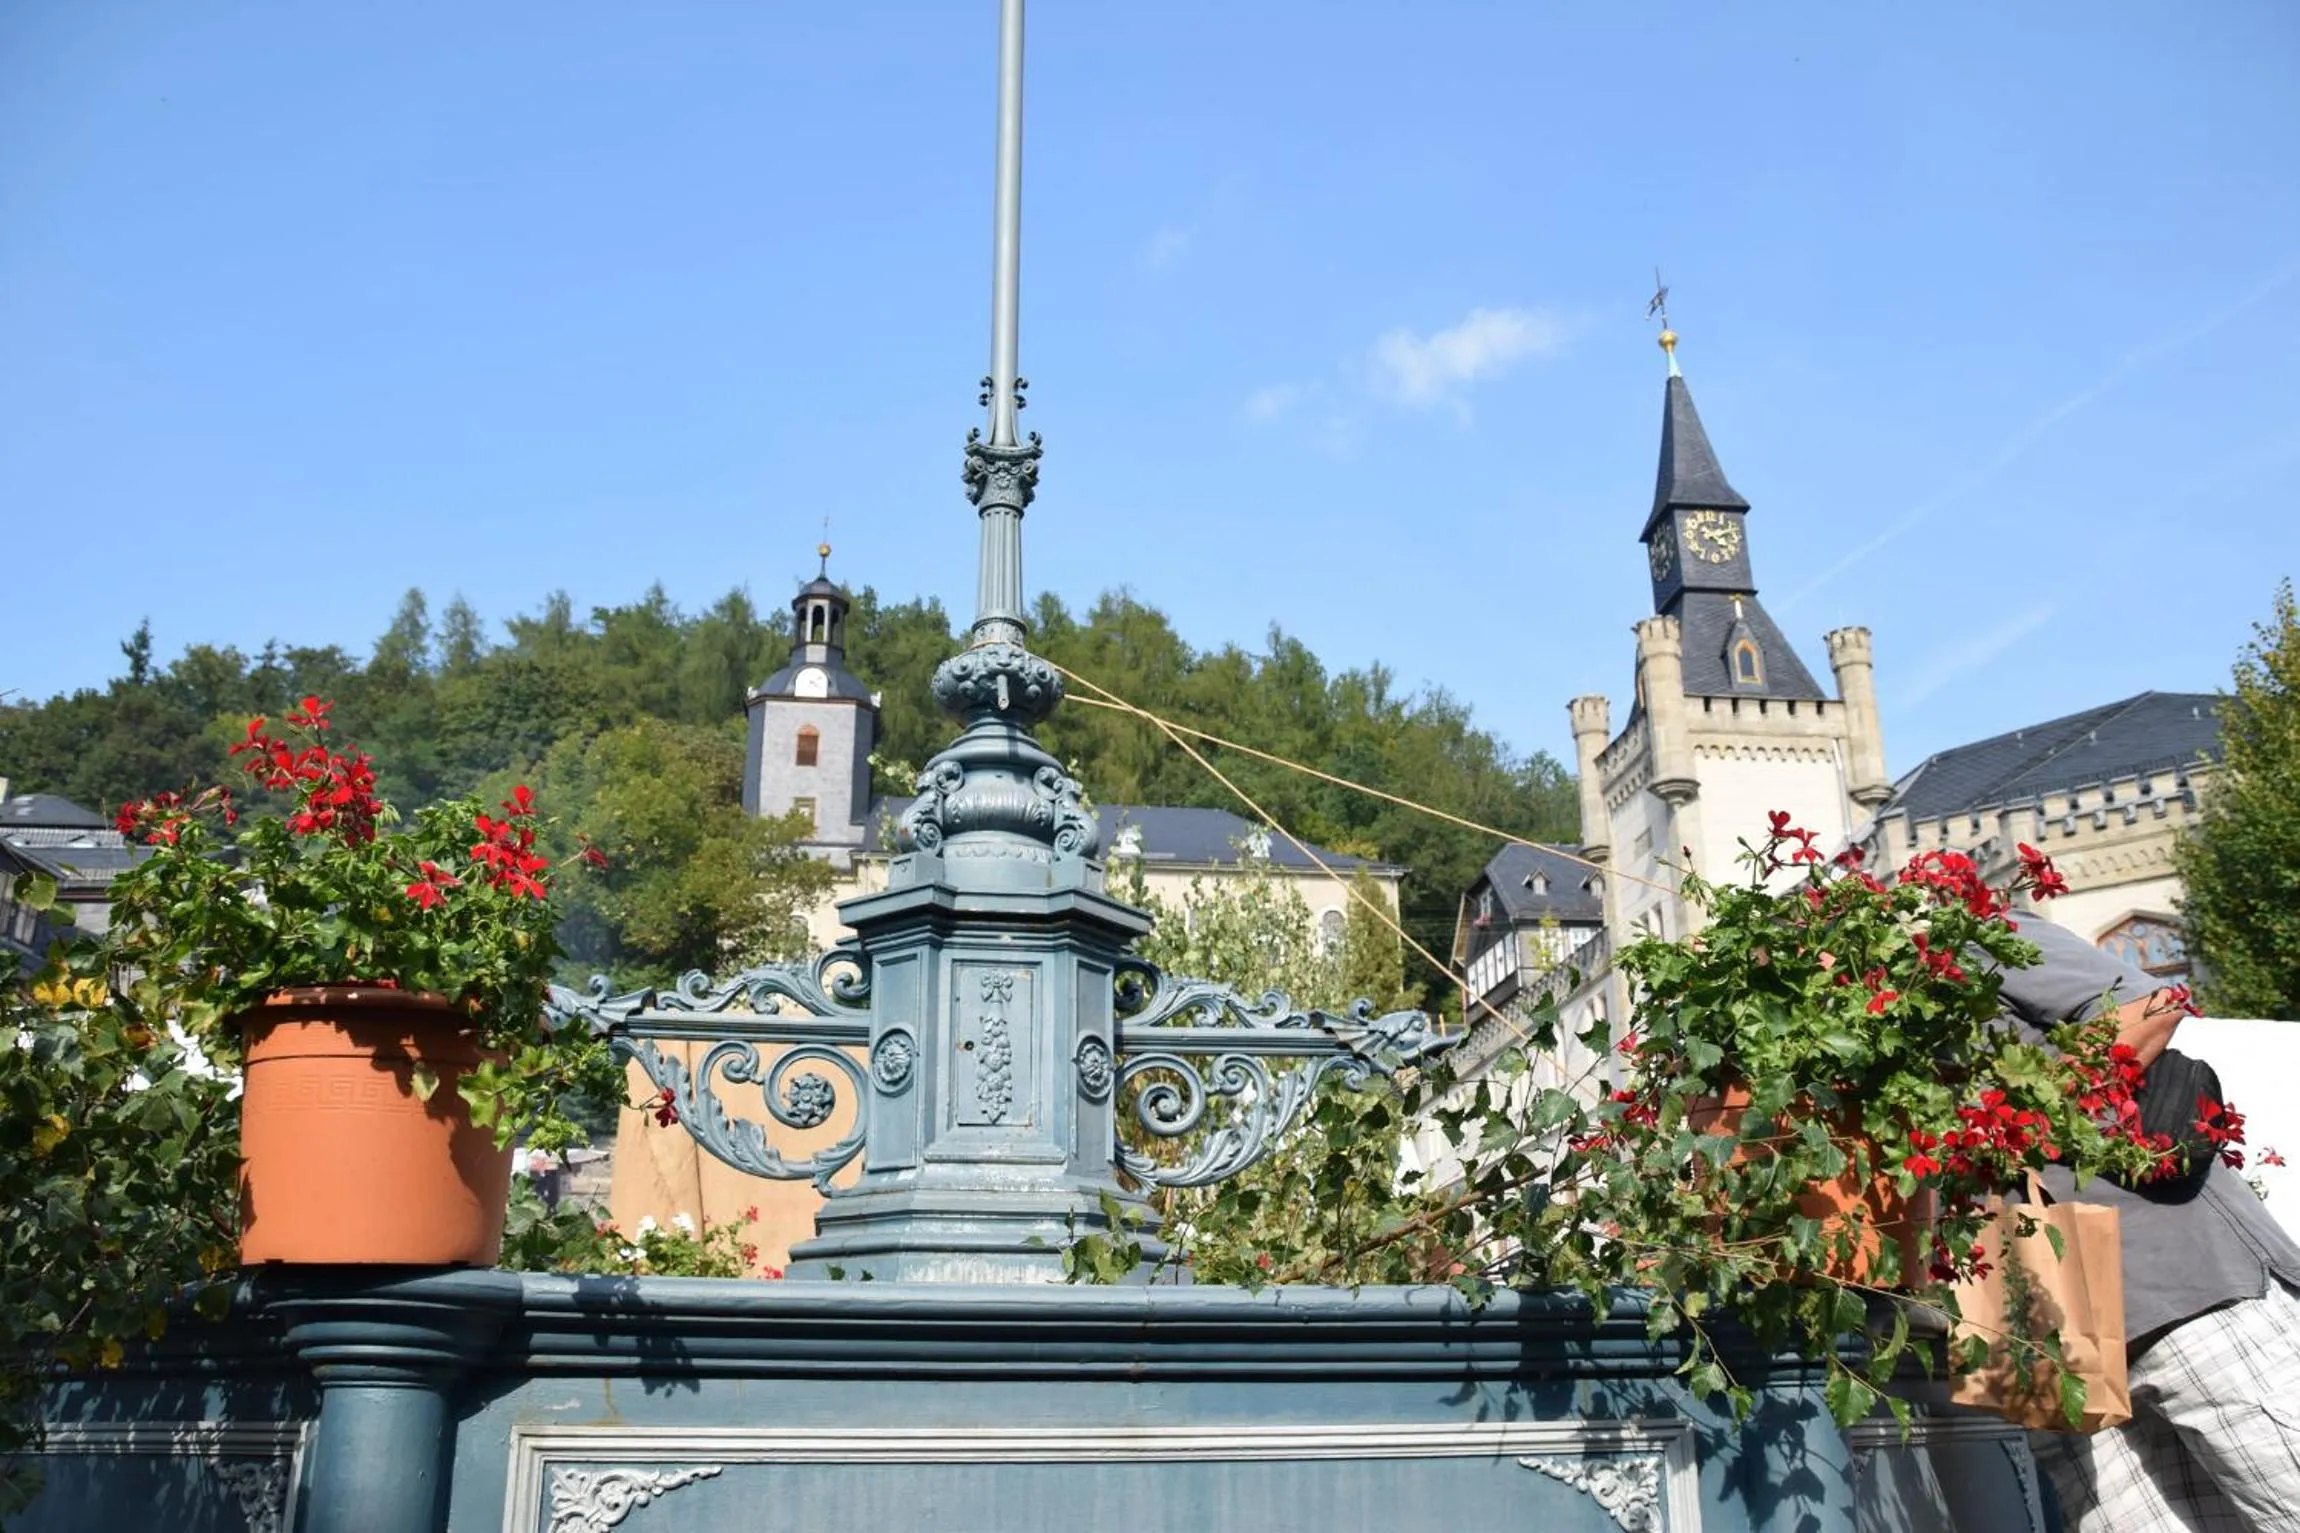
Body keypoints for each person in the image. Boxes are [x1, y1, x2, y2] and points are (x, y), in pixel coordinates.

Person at [1993, 912, 2300, 1532]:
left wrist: (2010, 1126)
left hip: (2175, 1275)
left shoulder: (1971, 936)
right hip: (2028, 1312)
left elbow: (2148, 1004)